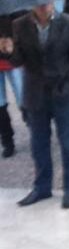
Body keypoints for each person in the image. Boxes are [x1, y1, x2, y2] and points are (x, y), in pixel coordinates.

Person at [0, 1, 69, 208]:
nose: (43, 6)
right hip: (35, 93)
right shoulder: (20, 24)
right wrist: (8, 51)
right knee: (38, 144)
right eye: (38, 4)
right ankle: (42, 187)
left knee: (68, 142)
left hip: (61, 91)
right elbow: (18, 61)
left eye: (46, 2)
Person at [0, 14, 24, 158]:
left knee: (23, 97)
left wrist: (9, 37)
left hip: (11, 57)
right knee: (0, 105)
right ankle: (7, 141)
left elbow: (21, 17)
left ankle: (35, 129)